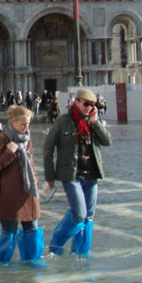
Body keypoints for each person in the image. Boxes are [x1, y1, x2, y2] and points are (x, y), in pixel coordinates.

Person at [44, 88, 112, 256]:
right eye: (86, 104)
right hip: (71, 174)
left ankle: (81, 253)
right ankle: (56, 242)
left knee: (89, 217)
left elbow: (107, 141)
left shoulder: (92, 122)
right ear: (77, 102)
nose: (89, 108)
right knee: (80, 214)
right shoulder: (63, 122)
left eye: (92, 105)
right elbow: (48, 148)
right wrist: (50, 177)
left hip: (92, 174)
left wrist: (96, 122)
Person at [0, 105, 43, 264]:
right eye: (23, 124)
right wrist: (9, 152)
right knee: (9, 232)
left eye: (28, 124)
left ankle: (33, 262)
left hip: (28, 193)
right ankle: (3, 263)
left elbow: (31, 163)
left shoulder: (27, 139)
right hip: (8, 196)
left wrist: (36, 181)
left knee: (32, 229)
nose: (26, 128)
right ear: (13, 122)